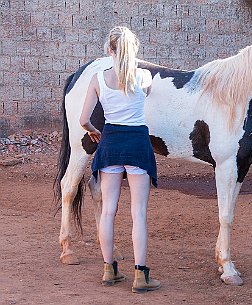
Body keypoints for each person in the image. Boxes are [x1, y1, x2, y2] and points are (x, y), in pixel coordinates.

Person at [79, 26, 160, 293]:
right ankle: (140, 275)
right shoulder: (145, 76)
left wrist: (93, 131)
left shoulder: (97, 78)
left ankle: (109, 270)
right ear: (133, 49)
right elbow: (143, 95)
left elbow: (83, 120)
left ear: (110, 50)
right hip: (137, 142)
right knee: (138, 213)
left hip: (110, 140)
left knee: (108, 210)